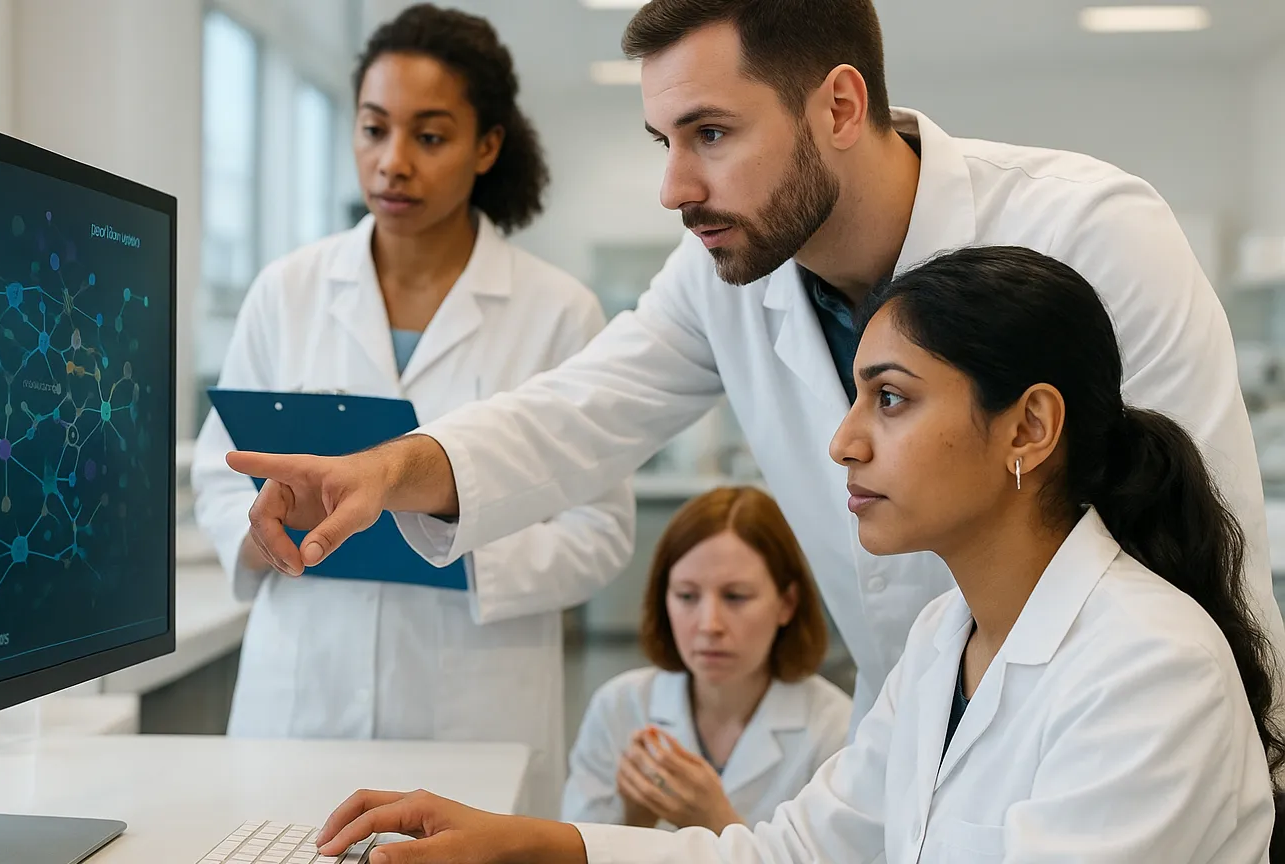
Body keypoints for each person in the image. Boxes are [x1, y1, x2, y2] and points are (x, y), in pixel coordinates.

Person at [224, 0, 1285, 735]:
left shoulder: (1093, 233)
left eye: (713, 133)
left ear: (836, 105)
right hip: (908, 744)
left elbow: (1207, 562)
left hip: (1115, 740)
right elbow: (577, 411)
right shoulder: (727, 277)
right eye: (662, 140)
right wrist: (390, 469)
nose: (674, 187)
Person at [310, 245, 1282, 864]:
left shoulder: (1150, 669)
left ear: (1028, 427)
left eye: (890, 399)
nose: (843, 441)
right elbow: (791, 856)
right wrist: (530, 846)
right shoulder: (950, 637)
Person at [190, 4, 635, 819]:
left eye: (429, 137)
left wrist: (454, 545)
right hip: (301, 704)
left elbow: (600, 530)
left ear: (487, 145)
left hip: (472, 709)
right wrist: (257, 532)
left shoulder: (557, 312)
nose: (392, 163)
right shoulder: (286, 291)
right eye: (373, 129)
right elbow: (220, 470)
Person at [563, 486, 850, 831]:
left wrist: (717, 821)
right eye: (687, 596)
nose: (709, 624)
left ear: (786, 603)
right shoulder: (620, 707)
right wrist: (637, 816)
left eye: (735, 596)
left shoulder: (834, 727)